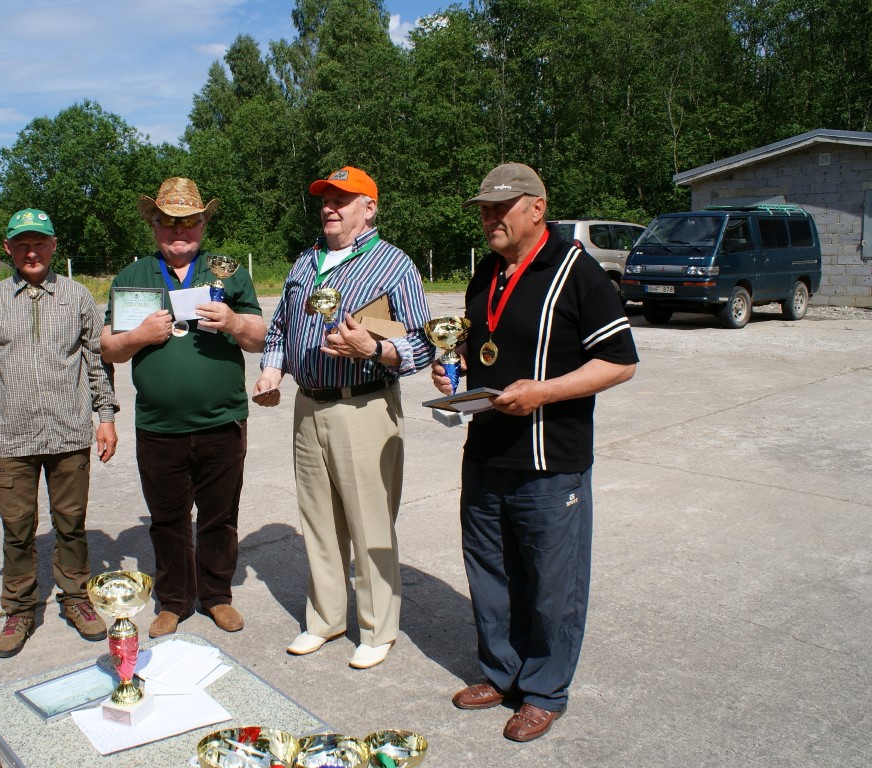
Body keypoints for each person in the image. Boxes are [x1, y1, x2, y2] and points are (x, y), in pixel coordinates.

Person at [435, 163, 638, 742]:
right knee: (491, 573)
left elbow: (620, 363)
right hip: (486, 452)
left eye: (500, 208)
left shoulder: (579, 272)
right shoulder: (486, 273)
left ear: (537, 208)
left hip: (550, 461)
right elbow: (481, 350)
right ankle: (502, 674)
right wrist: (453, 373)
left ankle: (545, 691)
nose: (489, 219)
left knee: (553, 584)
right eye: (484, 209)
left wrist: (542, 393)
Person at [253, 166, 432, 669]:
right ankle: (325, 619)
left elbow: (423, 344)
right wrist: (271, 371)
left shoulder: (394, 263)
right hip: (307, 405)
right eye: (326, 198)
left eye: (342, 199)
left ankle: (377, 629)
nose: (329, 207)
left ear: (369, 208)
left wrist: (372, 348)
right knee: (319, 520)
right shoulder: (305, 261)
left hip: (364, 404)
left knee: (370, 522)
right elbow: (280, 327)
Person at [99, 177, 266, 639]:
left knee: (219, 518)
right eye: (168, 221)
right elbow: (108, 347)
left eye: (189, 221)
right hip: (159, 427)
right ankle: (174, 601)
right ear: (153, 224)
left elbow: (258, 337)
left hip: (222, 421)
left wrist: (232, 321)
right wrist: (139, 336)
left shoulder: (228, 271)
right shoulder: (133, 276)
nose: (179, 230)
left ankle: (216, 595)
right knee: (167, 522)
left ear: (202, 224)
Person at [0, 209, 119, 659]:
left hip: (69, 434)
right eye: (23, 244)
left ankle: (75, 597)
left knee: (71, 523)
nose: (32, 252)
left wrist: (105, 416)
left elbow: (97, 362)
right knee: (17, 528)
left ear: (53, 246)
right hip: (11, 437)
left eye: (40, 243)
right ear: (8, 248)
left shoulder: (77, 296)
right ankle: (19, 608)